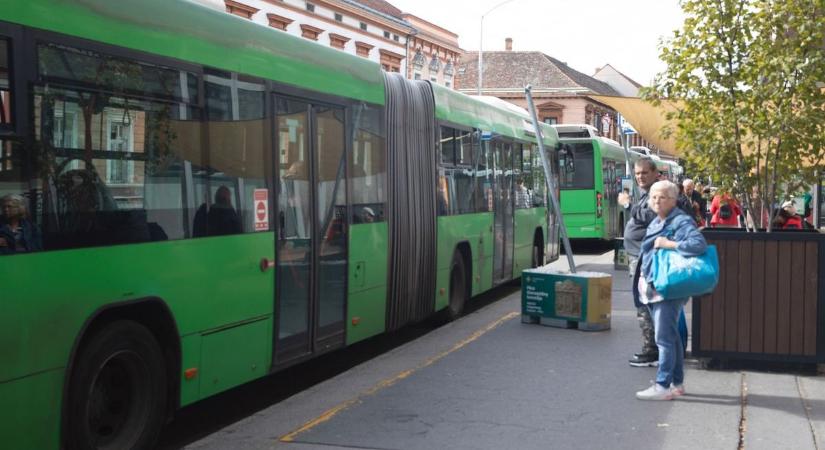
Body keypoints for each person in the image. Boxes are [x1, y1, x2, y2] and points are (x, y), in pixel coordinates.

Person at [635, 180, 708, 401]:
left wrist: (670, 245)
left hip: (667, 287)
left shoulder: (680, 221)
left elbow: (699, 244)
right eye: (654, 196)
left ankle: (662, 385)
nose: (656, 200)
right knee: (672, 337)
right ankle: (676, 383)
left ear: (674, 200)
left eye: (663, 197)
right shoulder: (661, 219)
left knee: (664, 338)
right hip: (659, 286)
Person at [617, 157, 659, 367]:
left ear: (654, 173)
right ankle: (652, 347)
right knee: (645, 301)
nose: (640, 177)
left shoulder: (655, 193)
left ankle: (651, 349)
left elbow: (650, 216)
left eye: (644, 173)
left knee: (644, 302)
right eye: (637, 173)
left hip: (644, 257)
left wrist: (627, 205)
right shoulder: (646, 193)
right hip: (638, 255)